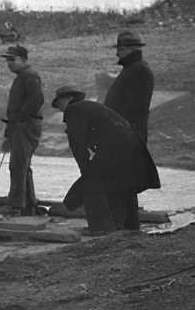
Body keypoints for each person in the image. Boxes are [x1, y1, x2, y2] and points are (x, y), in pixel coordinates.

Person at [53, 85, 160, 235]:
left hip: (116, 151)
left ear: (69, 98)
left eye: (58, 103)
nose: (58, 108)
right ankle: (127, 228)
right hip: (133, 149)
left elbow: (77, 144)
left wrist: (86, 171)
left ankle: (101, 229)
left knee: (91, 185)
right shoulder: (90, 106)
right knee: (121, 186)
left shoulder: (74, 110)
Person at [104, 29, 154, 229]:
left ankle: (128, 227)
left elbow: (135, 109)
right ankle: (127, 226)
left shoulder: (138, 71)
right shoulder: (134, 69)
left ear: (133, 49)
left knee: (124, 183)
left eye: (121, 49)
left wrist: (118, 131)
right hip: (127, 135)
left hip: (127, 136)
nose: (117, 53)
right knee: (125, 183)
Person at [0, 44, 43, 216]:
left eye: (13, 59)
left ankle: (16, 206)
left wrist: (20, 119)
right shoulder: (23, 76)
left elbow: (37, 99)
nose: (9, 63)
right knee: (23, 165)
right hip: (20, 125)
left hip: (25, 126)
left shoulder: (29, 76)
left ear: (24, 60)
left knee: (18, 164)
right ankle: (28, 205)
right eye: (7, 60)